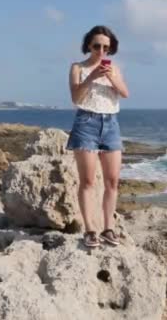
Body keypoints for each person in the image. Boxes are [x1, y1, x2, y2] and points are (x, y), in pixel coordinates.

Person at [66, 25, 129, 247]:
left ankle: (108, 228)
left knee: (112, 181)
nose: (101, 51)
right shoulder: (77, 68)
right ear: (88, 46)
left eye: (106, 47)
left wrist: (111, 78)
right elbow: (76, 97)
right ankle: (90, 230)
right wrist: (92, 77)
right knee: (88, 181)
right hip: (86, 122)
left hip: (111, 124)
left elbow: (125, 93)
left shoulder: (114, 69)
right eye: (97, 46)